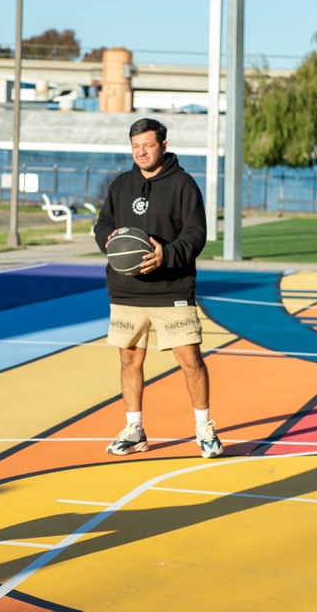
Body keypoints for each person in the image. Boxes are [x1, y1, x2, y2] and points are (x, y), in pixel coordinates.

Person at [94, 118, 223, 459]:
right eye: (136, 146)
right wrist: (106, 240)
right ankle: (134, 430)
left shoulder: (183, 185)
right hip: (127, 290)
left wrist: (167, 254)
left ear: (163, 146)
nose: (141, 152)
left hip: (172, 288)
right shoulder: (121, 184)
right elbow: (103, 223)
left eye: (148, 145)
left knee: (190, 360)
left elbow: (196, 235)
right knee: (129, 360)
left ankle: (204, 428)